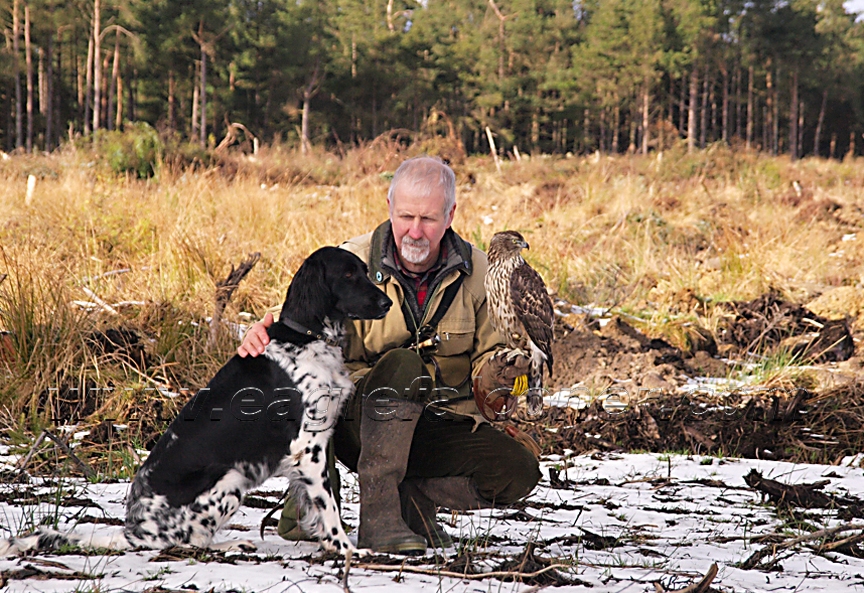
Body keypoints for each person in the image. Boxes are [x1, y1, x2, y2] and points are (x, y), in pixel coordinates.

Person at [238, 156, 541, 554]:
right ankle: (370, 516)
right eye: (406, 216)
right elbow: (295, 339)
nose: (415, 231)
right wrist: (259, 338)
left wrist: (502, 379)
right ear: (389, 207)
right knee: (403, 365)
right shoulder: (343, 263)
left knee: (515, 470)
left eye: (429, 219)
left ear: (450, 215)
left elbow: (495, 361)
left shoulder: (485, 274)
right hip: (354, 425)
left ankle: (412, 502)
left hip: (437, 424)